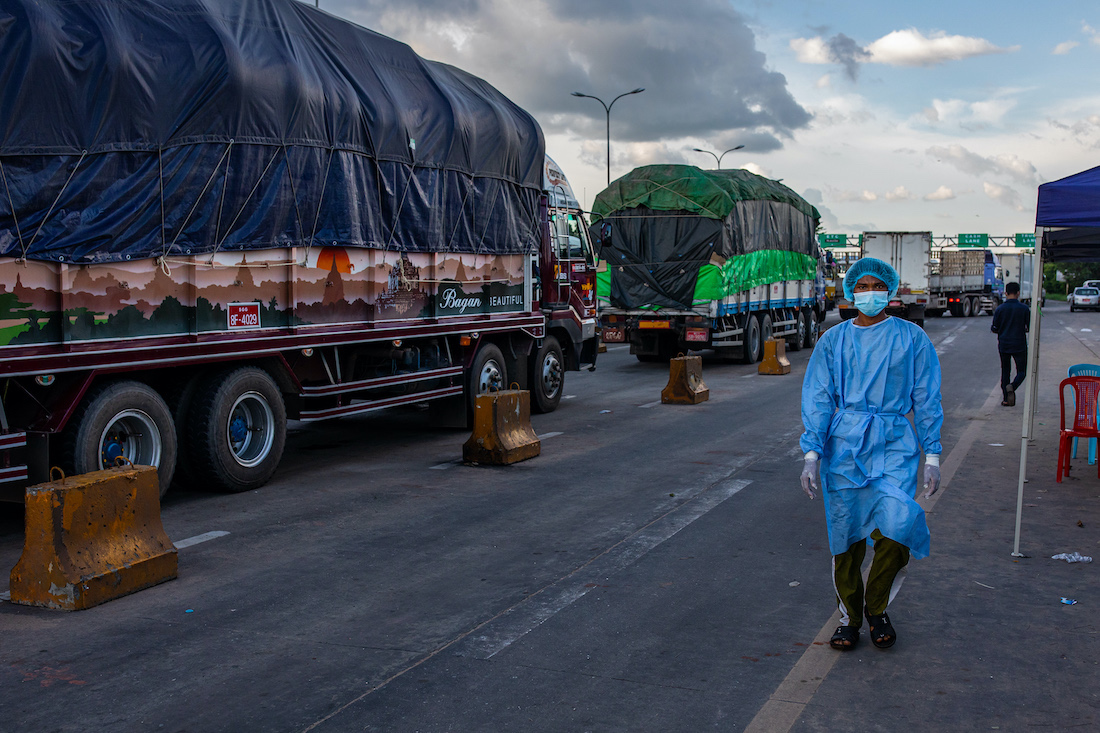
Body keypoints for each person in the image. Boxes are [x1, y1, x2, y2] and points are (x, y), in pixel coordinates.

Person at [799, 257, 944, 651]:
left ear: (889, 289)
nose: (868, 293)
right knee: (845, 538)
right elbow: (818, 397)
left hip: (895, 443)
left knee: (897, 531)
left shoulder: (912, 338)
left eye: (874, 285)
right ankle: (850, 618)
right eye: (860, 287)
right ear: (850, 292)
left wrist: (931, 454)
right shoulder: (833, 341)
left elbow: (927, 397)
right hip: (844, 446)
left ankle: (877, 608)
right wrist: (811, 452)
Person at [991, 282, 1030, 407]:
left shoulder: (1000, 309)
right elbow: (1029, 327)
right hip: (1019, 344)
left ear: (1005, 293)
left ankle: (1006, 399)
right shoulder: (1024, 309)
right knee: (1022, 371)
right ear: (1018, 293)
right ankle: (1012, 387)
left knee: (1005, 371)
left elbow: (994, 328)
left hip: (1004, 344)